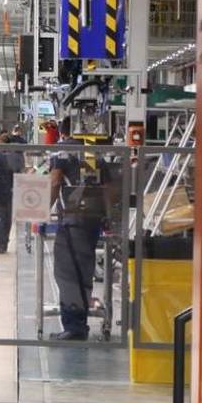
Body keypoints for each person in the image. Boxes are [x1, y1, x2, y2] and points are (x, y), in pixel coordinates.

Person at [48, 118, 113, 341]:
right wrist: (107, 216)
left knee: (67, 274)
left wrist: (41, 209)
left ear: (63, 132)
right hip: (92, 221)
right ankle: (79, 322)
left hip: (71, 221)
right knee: (83, 271)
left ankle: (75, 327)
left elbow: (55, 182)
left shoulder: (62, 151)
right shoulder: (93, 152)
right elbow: (106, 188)